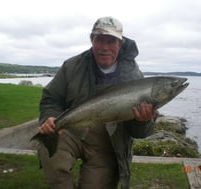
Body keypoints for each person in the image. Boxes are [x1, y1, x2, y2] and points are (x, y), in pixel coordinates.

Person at [37, 16, 158, 189]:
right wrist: (49, 117)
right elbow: (51, 99)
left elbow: (139, 133)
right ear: (91, 40)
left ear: (120, 44)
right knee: (49, 149)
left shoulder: (134, 77)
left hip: (108, 145)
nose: (105, 47)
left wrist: (143, 121)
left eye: (111, 41)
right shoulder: (72, 66)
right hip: (71, 132)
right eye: (99, 40)